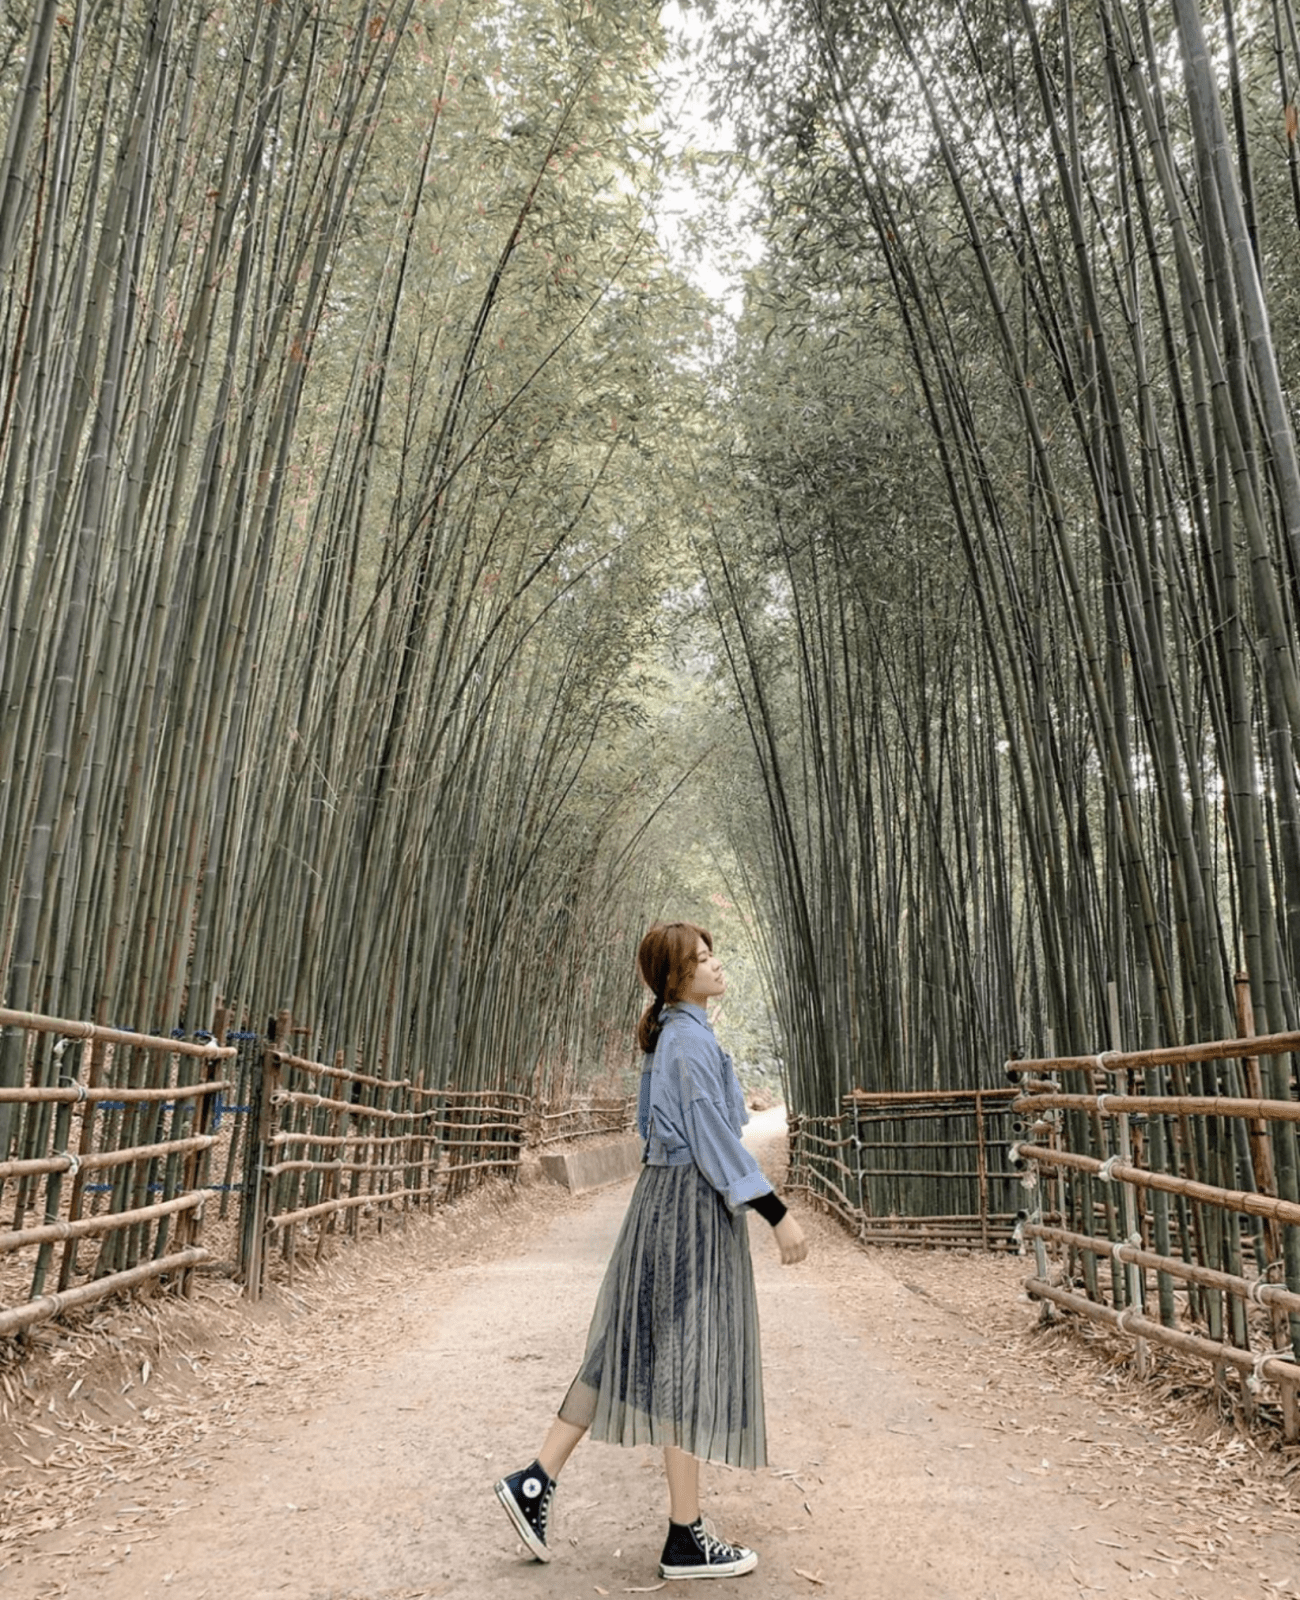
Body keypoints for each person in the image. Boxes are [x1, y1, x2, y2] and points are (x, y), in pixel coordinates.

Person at [494, 920, 807, 1582]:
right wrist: (775, 1211)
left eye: (711, 952)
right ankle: (683, 1537)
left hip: (665, 1204)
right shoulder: (685, 1043)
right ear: (676, 978)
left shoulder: (678, 1034)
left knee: (632, 1350)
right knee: (678, 1362)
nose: (715, 964)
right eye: (700, 958)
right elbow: (717, 1146)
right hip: (685, 1210)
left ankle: (535, 1481)